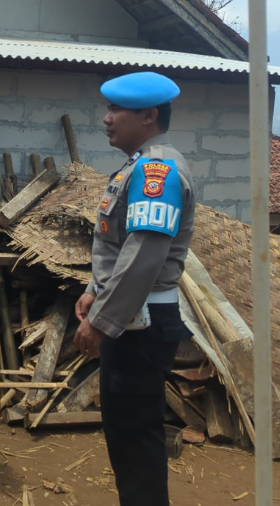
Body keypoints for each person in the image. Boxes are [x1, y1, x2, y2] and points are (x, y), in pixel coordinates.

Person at [73, 72, 195, 506]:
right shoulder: (138, 166)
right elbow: (120, 241)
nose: (107, 119)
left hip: (138, 323)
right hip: (132, 316)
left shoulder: (156, 170)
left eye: (116, 110)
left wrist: (103, 320)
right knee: (126, 435)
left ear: (148, 116)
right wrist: (94, 287)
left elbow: (143, 254)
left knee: (136, 440)